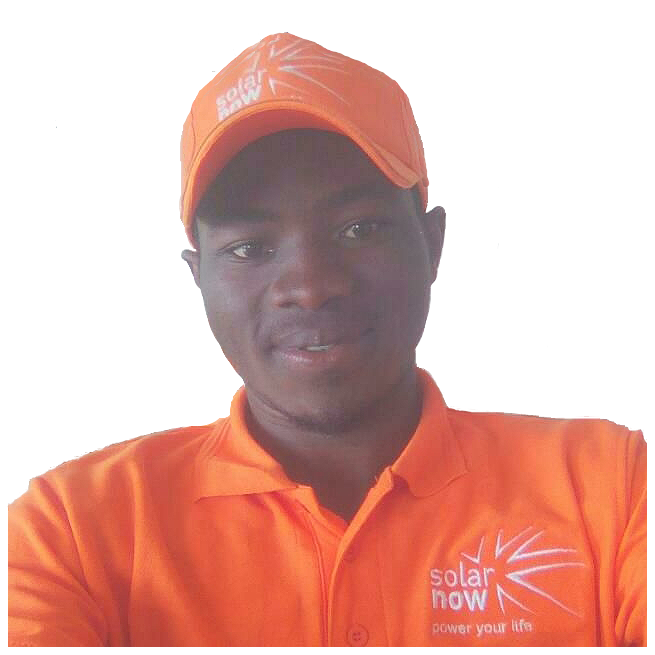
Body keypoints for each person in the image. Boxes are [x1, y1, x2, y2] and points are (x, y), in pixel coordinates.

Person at [8, 33, 646, 647]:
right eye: (250, 247)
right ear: (199, 275)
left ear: (432, 245)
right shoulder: (72, 529)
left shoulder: (610, 488)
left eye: (358, 228)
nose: (310, 287)